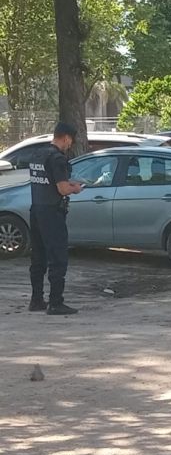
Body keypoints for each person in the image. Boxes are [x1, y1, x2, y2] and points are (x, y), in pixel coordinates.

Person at [28, 122, 84, 315]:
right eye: (71, 141)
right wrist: (75, 188)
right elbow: (61, 189)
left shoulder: (38, 154)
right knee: (58, 257)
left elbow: (47, 181)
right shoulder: (57, 158)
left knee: (38, 257)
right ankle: (55, 302)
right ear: (66, 137)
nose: (70, 145)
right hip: (52, 212)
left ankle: (36, 300)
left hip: (36, 210)